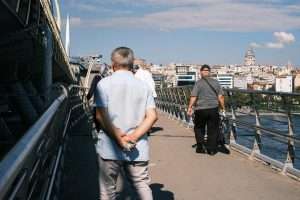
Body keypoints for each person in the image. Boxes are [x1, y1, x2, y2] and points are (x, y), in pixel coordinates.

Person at [95, 47, 158, 200]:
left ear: (113, 64)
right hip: (137, 147)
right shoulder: (144, 86)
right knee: (141, 184)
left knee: (108, 190)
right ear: (131, 64)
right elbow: (152, 116)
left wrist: (118, 137)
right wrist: (133, 136)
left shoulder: (103, 84)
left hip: (109, 147)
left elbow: (100, 116)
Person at [187, 64, 230, 155]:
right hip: (213, 109)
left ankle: (200, 147)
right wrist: (223, 108)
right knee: (213, 129)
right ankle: (211, 149)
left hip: (200, 109)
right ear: (209, 72)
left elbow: (193, 96)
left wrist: (190, 107)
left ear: (201, 72)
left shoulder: (198, 83)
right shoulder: (216, 82)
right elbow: (221, 97)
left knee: (199, 128)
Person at [87, 64, 110, 132]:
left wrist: (87, 98)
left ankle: (98, 131)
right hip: (106, 104)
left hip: (97, 103)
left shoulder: (97, 78)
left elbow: (92, 89)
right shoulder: (107, 79)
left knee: (96, 119)